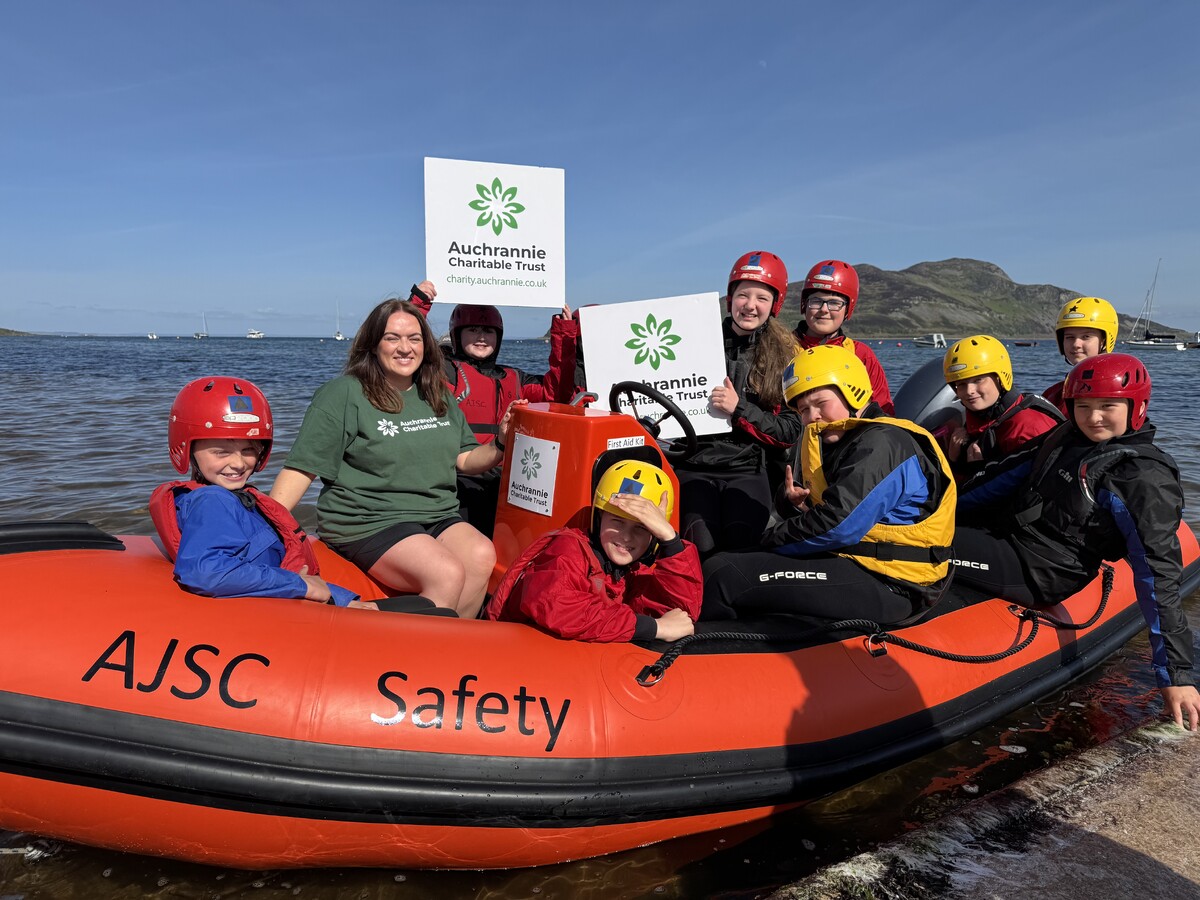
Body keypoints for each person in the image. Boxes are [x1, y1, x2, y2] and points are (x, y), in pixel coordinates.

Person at [952, 353, 1200, 731]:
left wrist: (1176, 675)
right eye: (1082, 406)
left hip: (1044, 572)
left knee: (921, 549)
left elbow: (1158, 575)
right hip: (1014, 541)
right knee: (925, 534)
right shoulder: (1067, 437)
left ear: (1138, 406)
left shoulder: (1141, 478)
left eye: (1108, 406)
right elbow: (999, 479)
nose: (1093, 417)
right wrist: (935, 514)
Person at [270, 298, 517, 619]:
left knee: (482, 555)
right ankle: (413, 658)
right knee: (447, 573)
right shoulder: (343, 394)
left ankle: (455, 651)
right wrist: (271, 532)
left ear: (426, 346)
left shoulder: (436, 393)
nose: (405, 348)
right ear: (373, 344)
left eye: (414, 338)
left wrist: (500, 440)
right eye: (392, 338)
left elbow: (467, 458)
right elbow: (301, 470)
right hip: (369, 520)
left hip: (436, 514)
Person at [701, 345, 956, 624]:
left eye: (821, 404)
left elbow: (837, 525)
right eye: (803, 410)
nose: (812, 417)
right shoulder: (843, 439)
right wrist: (791, 505)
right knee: (727, 559)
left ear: (852, 392)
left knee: (724, 575)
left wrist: (769, 540)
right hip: (860, 561)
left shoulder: (883, 442)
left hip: (895, 582)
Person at [148, 376, 367, 608]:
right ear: (187, 449)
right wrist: (302, 585)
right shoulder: (212, 500)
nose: (238, 463)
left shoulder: (235, 498)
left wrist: (339, 597)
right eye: (221, 452)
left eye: (249, 450)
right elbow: (207, 571)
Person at [674, 250, 803, 557]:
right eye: (743, 295)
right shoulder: (690, 341)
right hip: (692, 464)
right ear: (730, 298)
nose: (750, 305)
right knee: (699, 548)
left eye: (761, 297)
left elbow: (789, 429)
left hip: (747, 468)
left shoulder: (784, 356)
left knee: (741, 549)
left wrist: (739, 409)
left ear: (774, 305)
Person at [485, 460, 701, 642]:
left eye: (641, 527)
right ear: (598, 518)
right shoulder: (567, 549)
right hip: (514, 656)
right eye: (617, 521)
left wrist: (670, 540)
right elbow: (555, 605)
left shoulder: (635, 571)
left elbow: (681, 614)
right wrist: (654, 628)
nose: (626, 536)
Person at [439, 300, 579, 536]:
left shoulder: (515, 378)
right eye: (473, 330)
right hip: (461, 475)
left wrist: (565, 333)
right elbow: (407, 356)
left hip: (509, 477)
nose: (482, 337)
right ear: (457, 335)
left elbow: (557, 394)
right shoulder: (444, 372)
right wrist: (420, 303)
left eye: (488, 331)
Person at [938, 334, 1063, 482]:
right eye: (961, 384)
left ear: (1000, 378)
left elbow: (1031, 494)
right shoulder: (981, 418)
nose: (969, 391)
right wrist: (954, 459)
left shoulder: (1027, 428)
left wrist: (979, 472)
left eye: (978, 380)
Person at [791, 260, 894, 415]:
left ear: (847, 310)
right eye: (816, 301)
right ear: (804, 305)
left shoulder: (861, 355)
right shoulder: (780, 347)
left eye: (834, 303)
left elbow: (884, 412)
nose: (824, 310)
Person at [1042, 296, 1119, 414]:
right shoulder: (1053, 394)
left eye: (1086, 337)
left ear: (1104, 340)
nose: (1076, 344)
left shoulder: (1118, 390)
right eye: (1069, 337)